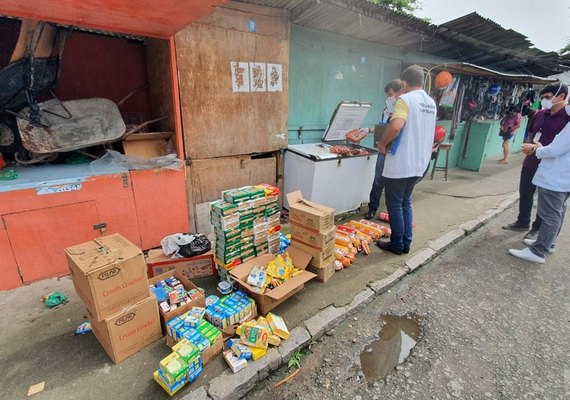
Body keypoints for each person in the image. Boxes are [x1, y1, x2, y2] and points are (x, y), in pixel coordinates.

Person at [375, 65, 436, 255]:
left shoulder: (405, 100)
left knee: (394, 203)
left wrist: (382, 143)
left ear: (404, 83)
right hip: (419, 162)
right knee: (406, 202)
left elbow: (396, 126)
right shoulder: (430, 103)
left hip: (402, 161)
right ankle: (406, 242)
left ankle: (396, 244)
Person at [502, 83, 570, 241]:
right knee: (525, 192)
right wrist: (527, 145)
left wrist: (540, 149)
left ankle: (537, 229)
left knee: (545, 201)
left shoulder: (567, 118)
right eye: (543, 98)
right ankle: (522, 221)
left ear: (561, 96)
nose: (544, 101)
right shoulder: (540, 114)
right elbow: (531, 133)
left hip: (551, 166)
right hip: (531, 161)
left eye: (547, 97)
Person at [509, 115, 570, 264]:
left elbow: (556, 149)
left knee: (550, 215)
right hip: (562, 177)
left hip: (557, 177)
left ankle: (539, 250)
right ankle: (548, 243)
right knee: (558, 211)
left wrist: (536, 149)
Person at [365, 79, 403, 220]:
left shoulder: (403, 109)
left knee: (393, 183)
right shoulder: (387, 109)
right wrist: (368, 130)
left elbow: (396, 128)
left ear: (399, 92)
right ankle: (372, 208)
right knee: (378, 179)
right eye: (388, 95)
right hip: (383, 148)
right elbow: (383, 127)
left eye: (391, 94)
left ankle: (392, 213)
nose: (389, 97)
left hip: (396, 150)